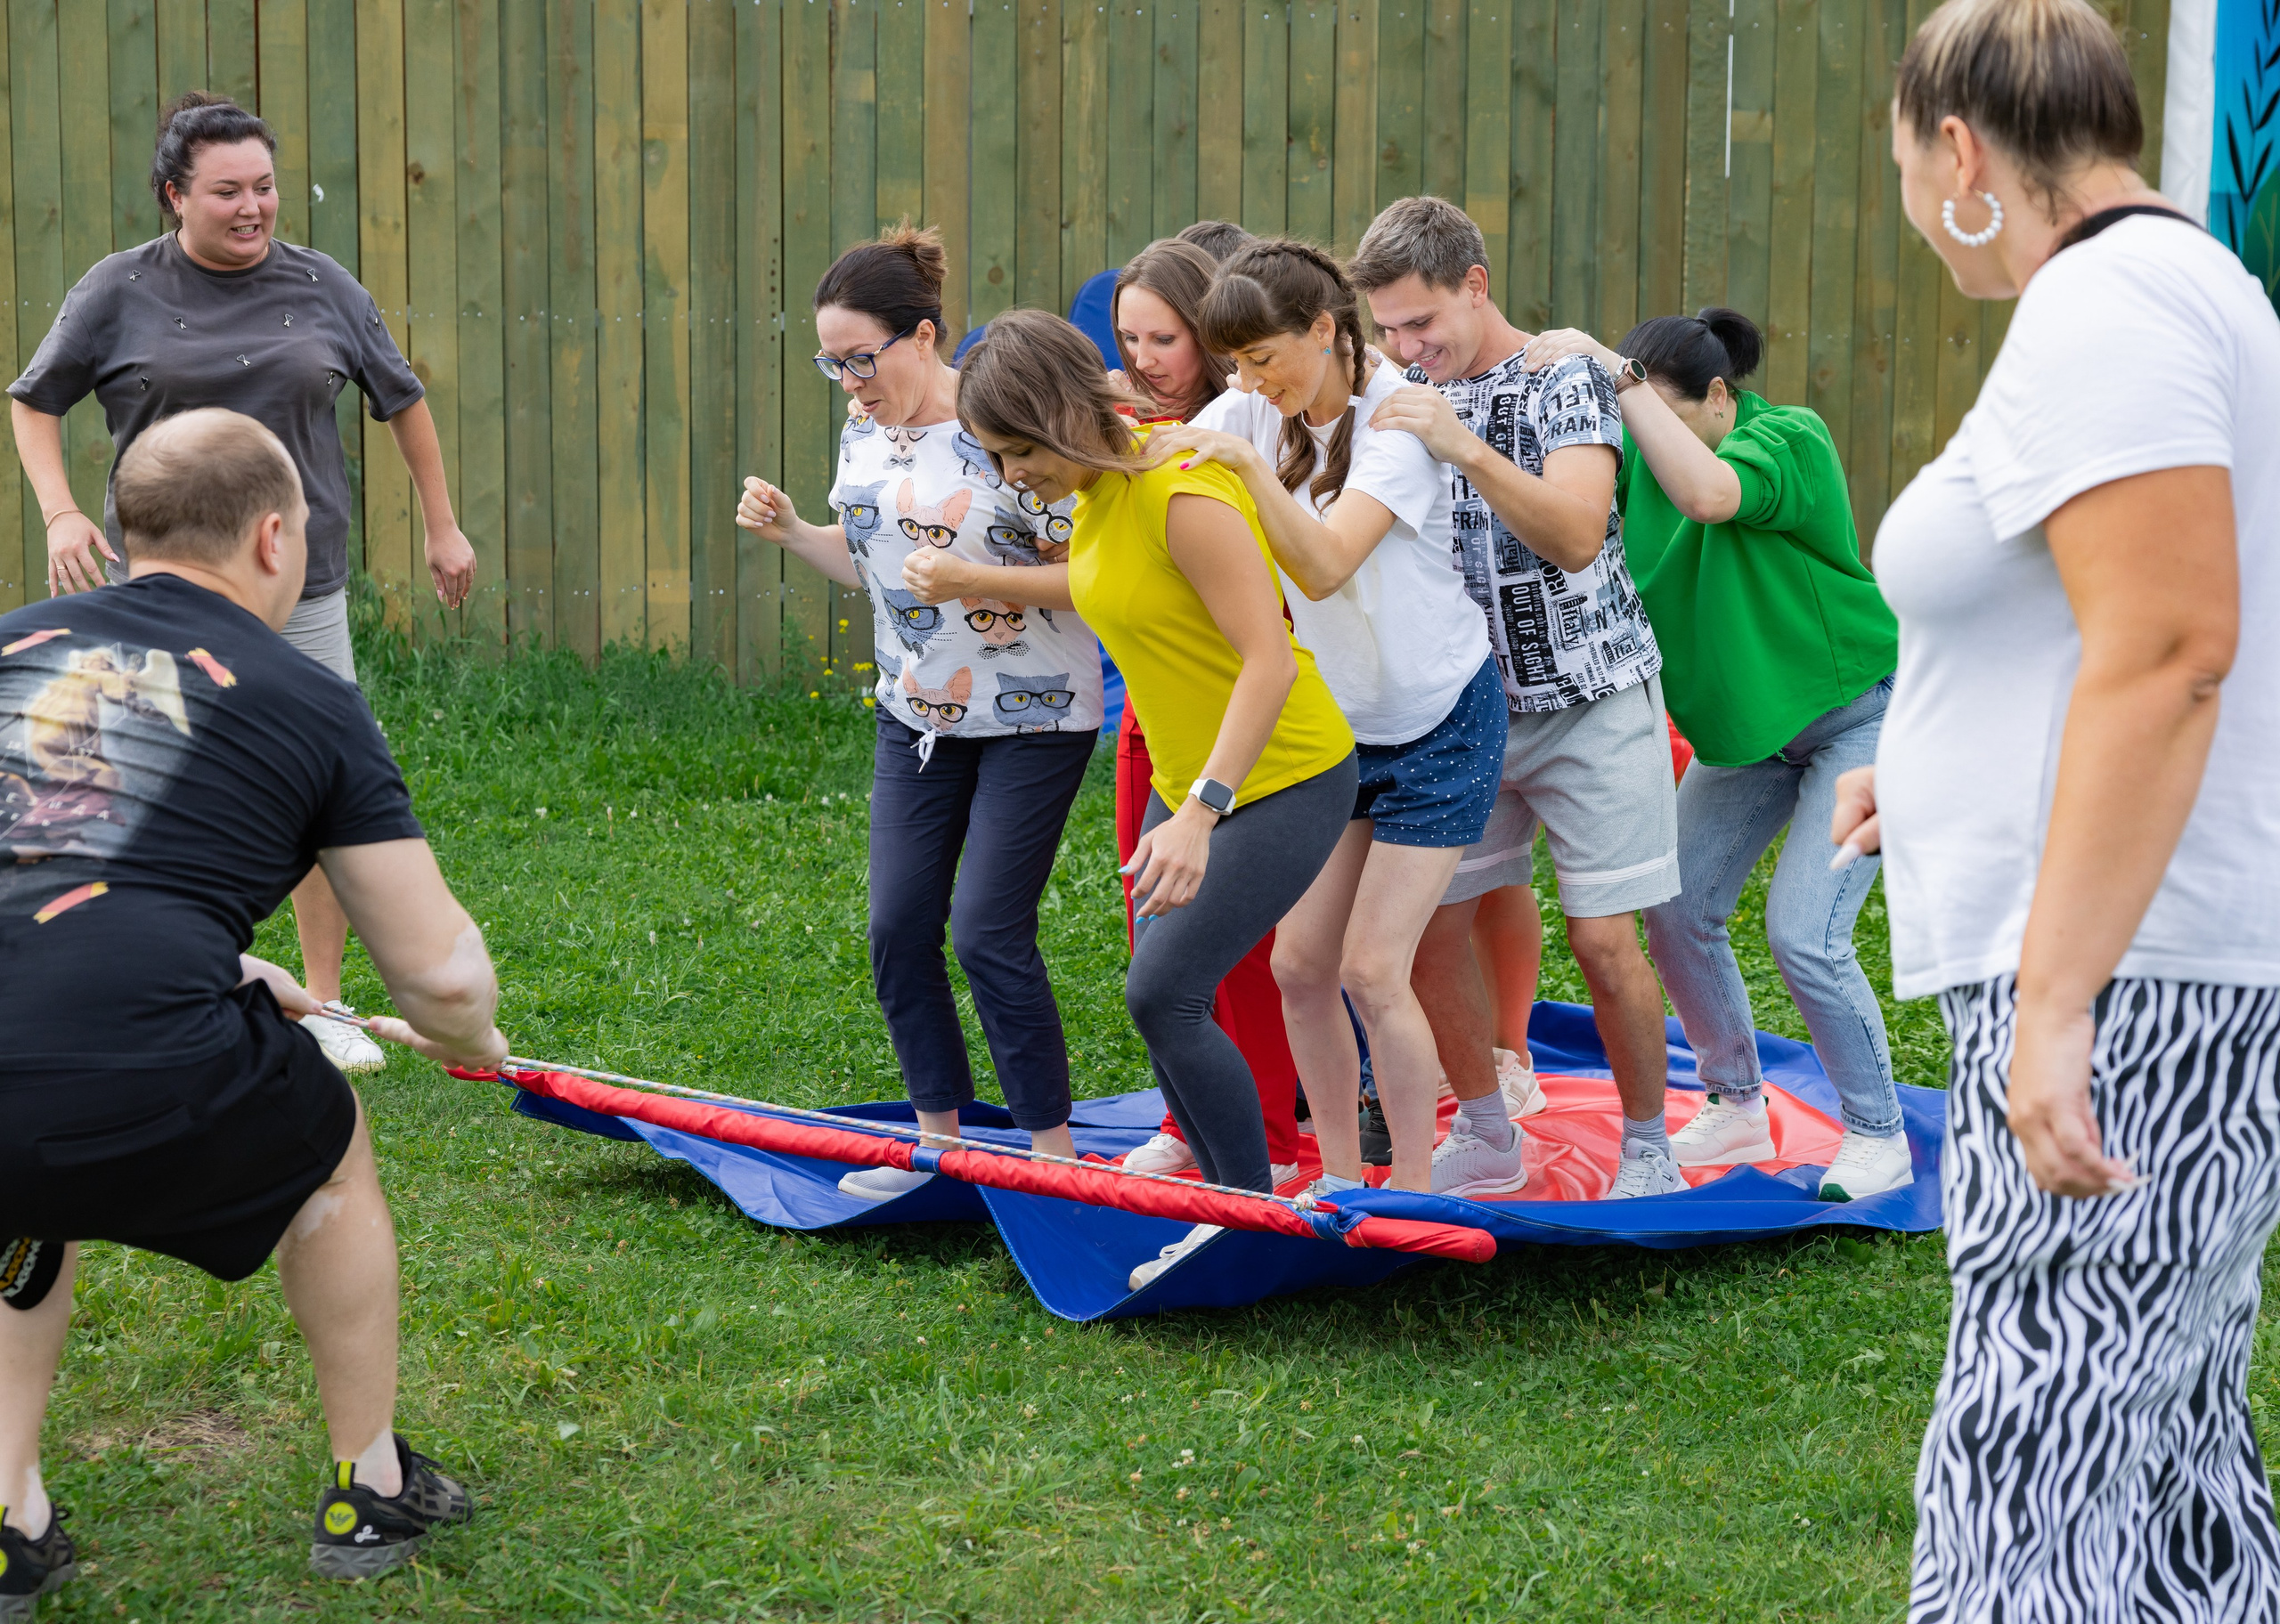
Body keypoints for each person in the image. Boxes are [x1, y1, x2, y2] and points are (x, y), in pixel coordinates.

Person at [1829, 1, 2280, 1614]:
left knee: (2031, 1467)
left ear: (1960, 154)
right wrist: (1932, 767)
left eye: (1903, 164)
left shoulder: (2109, 306)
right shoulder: (2184, 290)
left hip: (2125, 982)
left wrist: (2057, 1001)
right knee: (2165, 1468)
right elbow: (2104, 625)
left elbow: (2170, 648)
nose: (1909, 200)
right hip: (2166, 963)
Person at [0, 410, 508, 1602]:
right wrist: (476, 1042)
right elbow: (439, 977)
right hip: (144, 1066)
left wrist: (228, 967)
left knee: (19, 1189)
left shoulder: (10, 646)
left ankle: (8, 1513)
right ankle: (368, 1484)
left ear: (127, 530)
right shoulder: (309, 696)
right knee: (333, 1149)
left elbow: (58, 874)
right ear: (276, 539)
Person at [6, 93, 478, 1082]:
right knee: (136, 781)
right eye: (227, 191)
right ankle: (141, 977)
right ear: (174, 195)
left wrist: (443, 525)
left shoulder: (323, 284)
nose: (253, 207)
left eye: (264, 186)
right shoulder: (118, 289)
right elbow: (35, 400)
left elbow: (403, 399)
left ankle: (325, 1002)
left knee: (316, 783)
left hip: (295, 588)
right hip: (160, 589)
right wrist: (60, 513)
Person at [956, 309, 1357, 1287]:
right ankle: (1228, 1204)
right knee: (1162, 995)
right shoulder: (1102, 484)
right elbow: (1114, 577)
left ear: (1061, 417)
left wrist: (1200, 813)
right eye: (996, 456)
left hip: (1285, 777)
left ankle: (1247, 1214)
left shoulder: (1182, 494)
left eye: (1018, 451)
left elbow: (1269, 660)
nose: (1011, 475)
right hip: (1191, 784)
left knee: (1163, 992)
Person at [734, 226, 1103, 1201]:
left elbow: (1095, 577)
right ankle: (935, 1147)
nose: (849, 383)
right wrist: (794, 532)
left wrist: (977, 578)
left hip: (1032, 719)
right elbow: (873, 568)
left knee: (986, 932)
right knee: (899, 929)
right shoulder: (865, 430)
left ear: (924, 335)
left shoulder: (1002, 421)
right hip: (916, 717)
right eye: (832, 364)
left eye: (862, 359)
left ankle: (1053, 1158)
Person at [1521, 309, 1910, 1201]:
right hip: (1746, 740)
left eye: (1653, 411)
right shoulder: (1633, 468)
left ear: (1720, 398)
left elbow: (1710, 498)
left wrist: (1616, 376)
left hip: (1857, 717)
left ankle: (1877, 1133)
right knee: (1675, 906)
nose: (1637, 433)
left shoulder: (1788, 439)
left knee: (1803, 935)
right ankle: (1736, 1102)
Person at [1152, 240, 1511, 1199]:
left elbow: (1321, 567)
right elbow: (1158, 464)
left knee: (1372, 969)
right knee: (1299, 965)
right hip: (1342, 733)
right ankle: (1343, 1180)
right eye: (1233, 364)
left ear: (1322, 331)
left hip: (1439, 723)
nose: (1245, 382)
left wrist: (1244, 463)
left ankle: (1415, 1189)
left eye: (1261, 358)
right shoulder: (1251, 407)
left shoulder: (1394, 420)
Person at [1348, 195, 1684, 1200]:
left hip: (1591, 696)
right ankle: (1488, 1132)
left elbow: (1577, 536)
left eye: (1421, 321)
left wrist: (1462, 445)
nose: (1406, 347)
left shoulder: (1562, 376)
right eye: (1387, 329)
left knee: (1604, 940)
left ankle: (1648, 1149)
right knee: (1430, 930)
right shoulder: (1398, 388)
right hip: (1461, 712)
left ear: (1475, 285)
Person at [1097, 237, 1306, 1186]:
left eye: (1164, 339)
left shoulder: (1239, 435)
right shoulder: (1120, 436)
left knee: (1239, 946)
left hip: (1246, 722)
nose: (1144, 359)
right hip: (1153, 717)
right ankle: (1184, 1121)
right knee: (1154, 934)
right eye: (1129, 338)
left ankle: (1268, 1137)